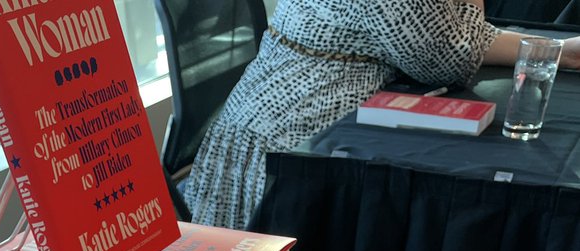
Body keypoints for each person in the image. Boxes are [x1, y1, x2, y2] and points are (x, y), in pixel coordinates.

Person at [184, 1, 580, 231]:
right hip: (302, 142)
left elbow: (458, 33)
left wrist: (557, 50)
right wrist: (556, 50)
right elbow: (447, 58)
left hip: (271, 115)